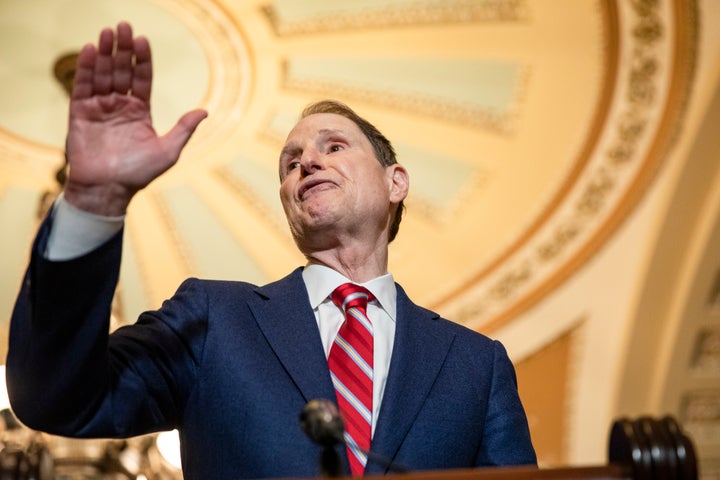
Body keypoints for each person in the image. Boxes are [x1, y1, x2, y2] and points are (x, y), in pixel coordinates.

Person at [6, 22, 536, 479]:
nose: (307, 163)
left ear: (395, 181)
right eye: (290, 162)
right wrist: (94, 201)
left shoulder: (475, 364)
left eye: (333, 146)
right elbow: (56, 398)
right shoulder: (212, 320)